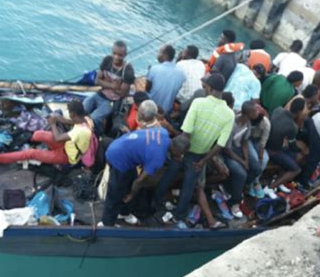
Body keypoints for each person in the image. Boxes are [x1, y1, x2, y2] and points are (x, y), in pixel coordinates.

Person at [154, 73, 234, 229]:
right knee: (189, 186)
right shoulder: (229, 114)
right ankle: (178, 215)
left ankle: (156, 200)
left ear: (209, 88)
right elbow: (220, 145)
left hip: (184, 150)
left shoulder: (198, 103)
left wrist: (180, 154)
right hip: (200, 156)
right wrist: (203, 161)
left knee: (170, 173)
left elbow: (187, 133)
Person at [101, 100, 184, 226]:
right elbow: (139, 181)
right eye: (180, 154)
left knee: (129, 185)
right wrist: (132, 194)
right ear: (176, 150)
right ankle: (107, 223)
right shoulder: (158, 158)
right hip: (118, 157)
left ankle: (124, 212)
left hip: (126, 150)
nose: (180, 157)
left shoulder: (164, 133)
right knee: (115, 192)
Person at [0, 101, 93, 165]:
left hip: (66, 156)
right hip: (66, 145)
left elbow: (58, 138)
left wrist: (53, 124)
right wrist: (62, 120)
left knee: (31, 153)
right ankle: (25, 141)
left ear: (72, 114)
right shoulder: (86, 120)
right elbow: (73, 122)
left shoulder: (80, 131)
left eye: (69, 113)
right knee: (38, 134)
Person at [223, 100, 265, 217]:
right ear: (247, 114)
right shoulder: (232, 125)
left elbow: (244, 142)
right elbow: (227, 149)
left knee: (257, 168)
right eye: (255, 111)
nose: (257, 112)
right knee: (241, 173)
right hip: (227, 152)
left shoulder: (248, 123)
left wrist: (246, 160)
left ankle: (232, 187)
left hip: (238, 149)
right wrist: (242, 161)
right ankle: (234, 202)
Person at [83, 40, 135, 130]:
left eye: (120, 55)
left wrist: (105, 83)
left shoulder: (128, 70)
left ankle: (97, 134)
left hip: (112, 101)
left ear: (125, 54)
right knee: (83, 109)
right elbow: (96, 81)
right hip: (100, 94)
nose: (116, 57)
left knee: (94, 118)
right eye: (114, 53)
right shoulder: (107, 60)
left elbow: (122, 93)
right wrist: (113, 86)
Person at [265, 99, 306, 198]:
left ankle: (279, 180)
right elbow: (292, 146)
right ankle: (270, 187)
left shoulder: (278, 109)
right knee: (296, 169)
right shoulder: (292, 127)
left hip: (265, 142)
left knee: (297, 157)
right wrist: (300, 149)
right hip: (273, 151)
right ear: (299, 112)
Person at [147, 45, 186, 114]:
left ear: (164, 55)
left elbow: (147, 89)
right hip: (166, 111)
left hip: (150, 107)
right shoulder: (182, 74)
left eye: (159, 52)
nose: (157, 54)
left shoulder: (154, 68)